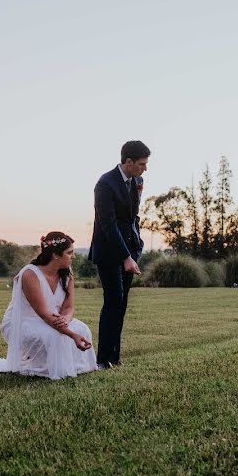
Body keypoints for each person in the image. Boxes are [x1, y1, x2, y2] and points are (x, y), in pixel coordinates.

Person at [0, 231, 97, 380]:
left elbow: (69, 307)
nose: (74, 256)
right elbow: (44, 313)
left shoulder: (67, 274)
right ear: (55, 255)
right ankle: (50, 368)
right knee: (54, 335)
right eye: (69, 253)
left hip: (55, 319)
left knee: (82, 329)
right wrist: (71, 334)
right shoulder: (30, 274)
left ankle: (75, 366)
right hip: (24, 322)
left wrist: (65, 319)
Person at [89, 140, 150, 369]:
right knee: (113, 302)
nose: (145, 168)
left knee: (122, 303)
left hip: (130, 249)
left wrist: (137, 246)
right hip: (108, 251)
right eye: (142, 164)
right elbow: (108, 224)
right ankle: (103, 360)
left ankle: (115, 357)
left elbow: (132, 217)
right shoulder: (105, 184)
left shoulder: (138, 181)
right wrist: (125, 257)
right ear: (128, 162)